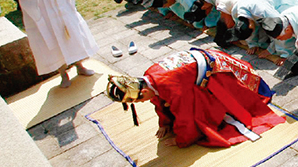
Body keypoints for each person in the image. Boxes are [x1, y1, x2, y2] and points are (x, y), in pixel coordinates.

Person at [106, 49, 286, 148]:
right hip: (202, 66)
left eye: (137, 101)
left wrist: (182, 140)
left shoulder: (168, 87)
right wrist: (165, 123)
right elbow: (158, 100)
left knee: (203, 113)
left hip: (218, 71)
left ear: (143, 92)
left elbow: (185, 116)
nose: (142, 102)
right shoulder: (150, 77)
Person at [226, 0, 298, 56]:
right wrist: (252, 44)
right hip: (263, 2)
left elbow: (279, 30)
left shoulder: (264, 12)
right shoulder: (236, 11)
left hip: (286, 2)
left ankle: (285, 52)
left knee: (282, 32)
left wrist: (270, 51)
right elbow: (245, 31)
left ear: (251, 25)